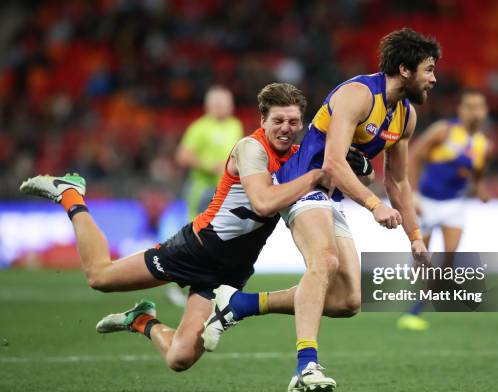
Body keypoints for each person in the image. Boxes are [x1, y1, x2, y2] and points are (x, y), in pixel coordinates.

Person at [19, 83, 371, 377]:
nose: (285, 128)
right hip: (197, 249)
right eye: (277, 120)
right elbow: (264, 203)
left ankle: (141, 320)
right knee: (99, 276)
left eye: (294, 122)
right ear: (262, 120)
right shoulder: (251, 148)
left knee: (179, 359)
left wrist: (358, 168)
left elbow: (331, 184)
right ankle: (70, 194)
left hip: (232, 271)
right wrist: (315, 175)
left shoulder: (297, 156)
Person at [202, 28, 440, 392]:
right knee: (324, 261)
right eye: (428, 69)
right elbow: (332, 163)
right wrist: (374, 205)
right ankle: (305, 366)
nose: (434, 78)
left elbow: (399, 183)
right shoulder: (358, 95)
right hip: (302, 180)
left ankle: (238, 304)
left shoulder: (405, 117)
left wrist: (415, 237)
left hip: (330, 196)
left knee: (348, 302)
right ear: (406, 69)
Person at [396, 88, 491, 331]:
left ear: (485, 111)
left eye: (479, 106)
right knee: (422, 256)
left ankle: (417, 308)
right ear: (461, 110)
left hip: (454, 205)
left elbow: (478, 172)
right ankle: (418, 294)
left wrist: (480, 189)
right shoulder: (445, 131)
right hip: (427, 202)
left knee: (449, 258)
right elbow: (414, 154)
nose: (475, 111)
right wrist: (413, 193)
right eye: (470, 106)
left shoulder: (483, 145)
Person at [167, 86, 243, 307]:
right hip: (201, 188)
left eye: (227, 103)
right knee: (193, 235)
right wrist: (210, 166)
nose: (224, 108)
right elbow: (182, 156)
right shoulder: (200, 128)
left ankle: (213, 286)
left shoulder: (234, 125)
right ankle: (174, 283)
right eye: (219, 104)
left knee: (221, 237)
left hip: (226, 189)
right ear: (208, 106)